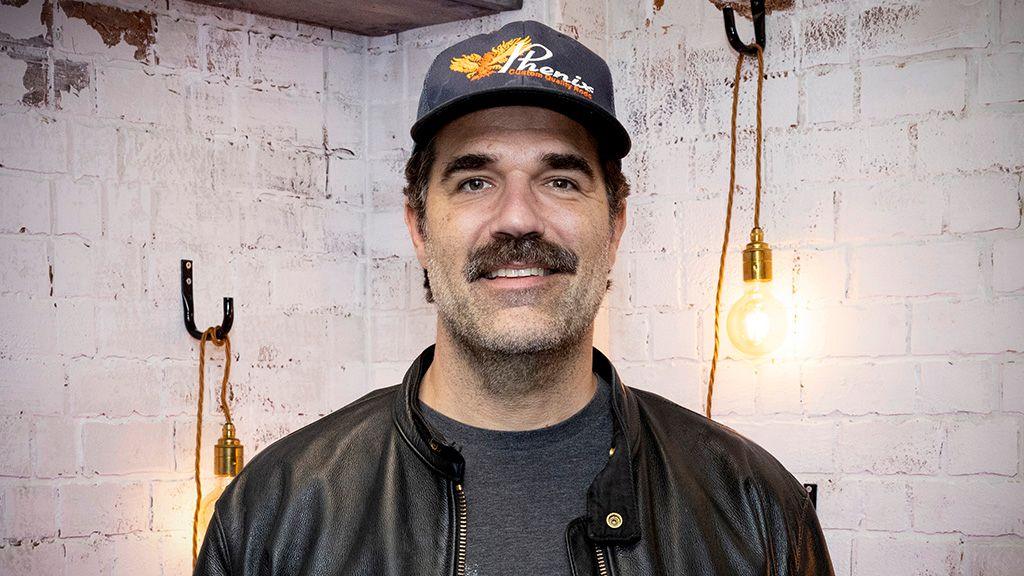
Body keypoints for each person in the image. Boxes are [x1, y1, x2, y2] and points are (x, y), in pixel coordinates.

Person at [194, 20, 835, 576]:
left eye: (560, 179)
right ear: (418, 227)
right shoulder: (274, 515)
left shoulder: (754, 512)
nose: (518, 219)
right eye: (475, 182)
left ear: (615, 226)